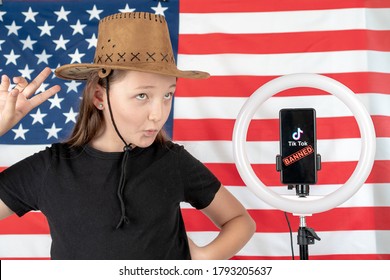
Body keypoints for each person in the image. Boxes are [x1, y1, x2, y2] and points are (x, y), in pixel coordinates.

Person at [0, 11, 255, 260]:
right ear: (100, 97)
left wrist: (203, 258)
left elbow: (239, 220)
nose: (158, 114)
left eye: (167, 95)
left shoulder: (172, 161)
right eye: (142, 95)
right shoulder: (51, 168)